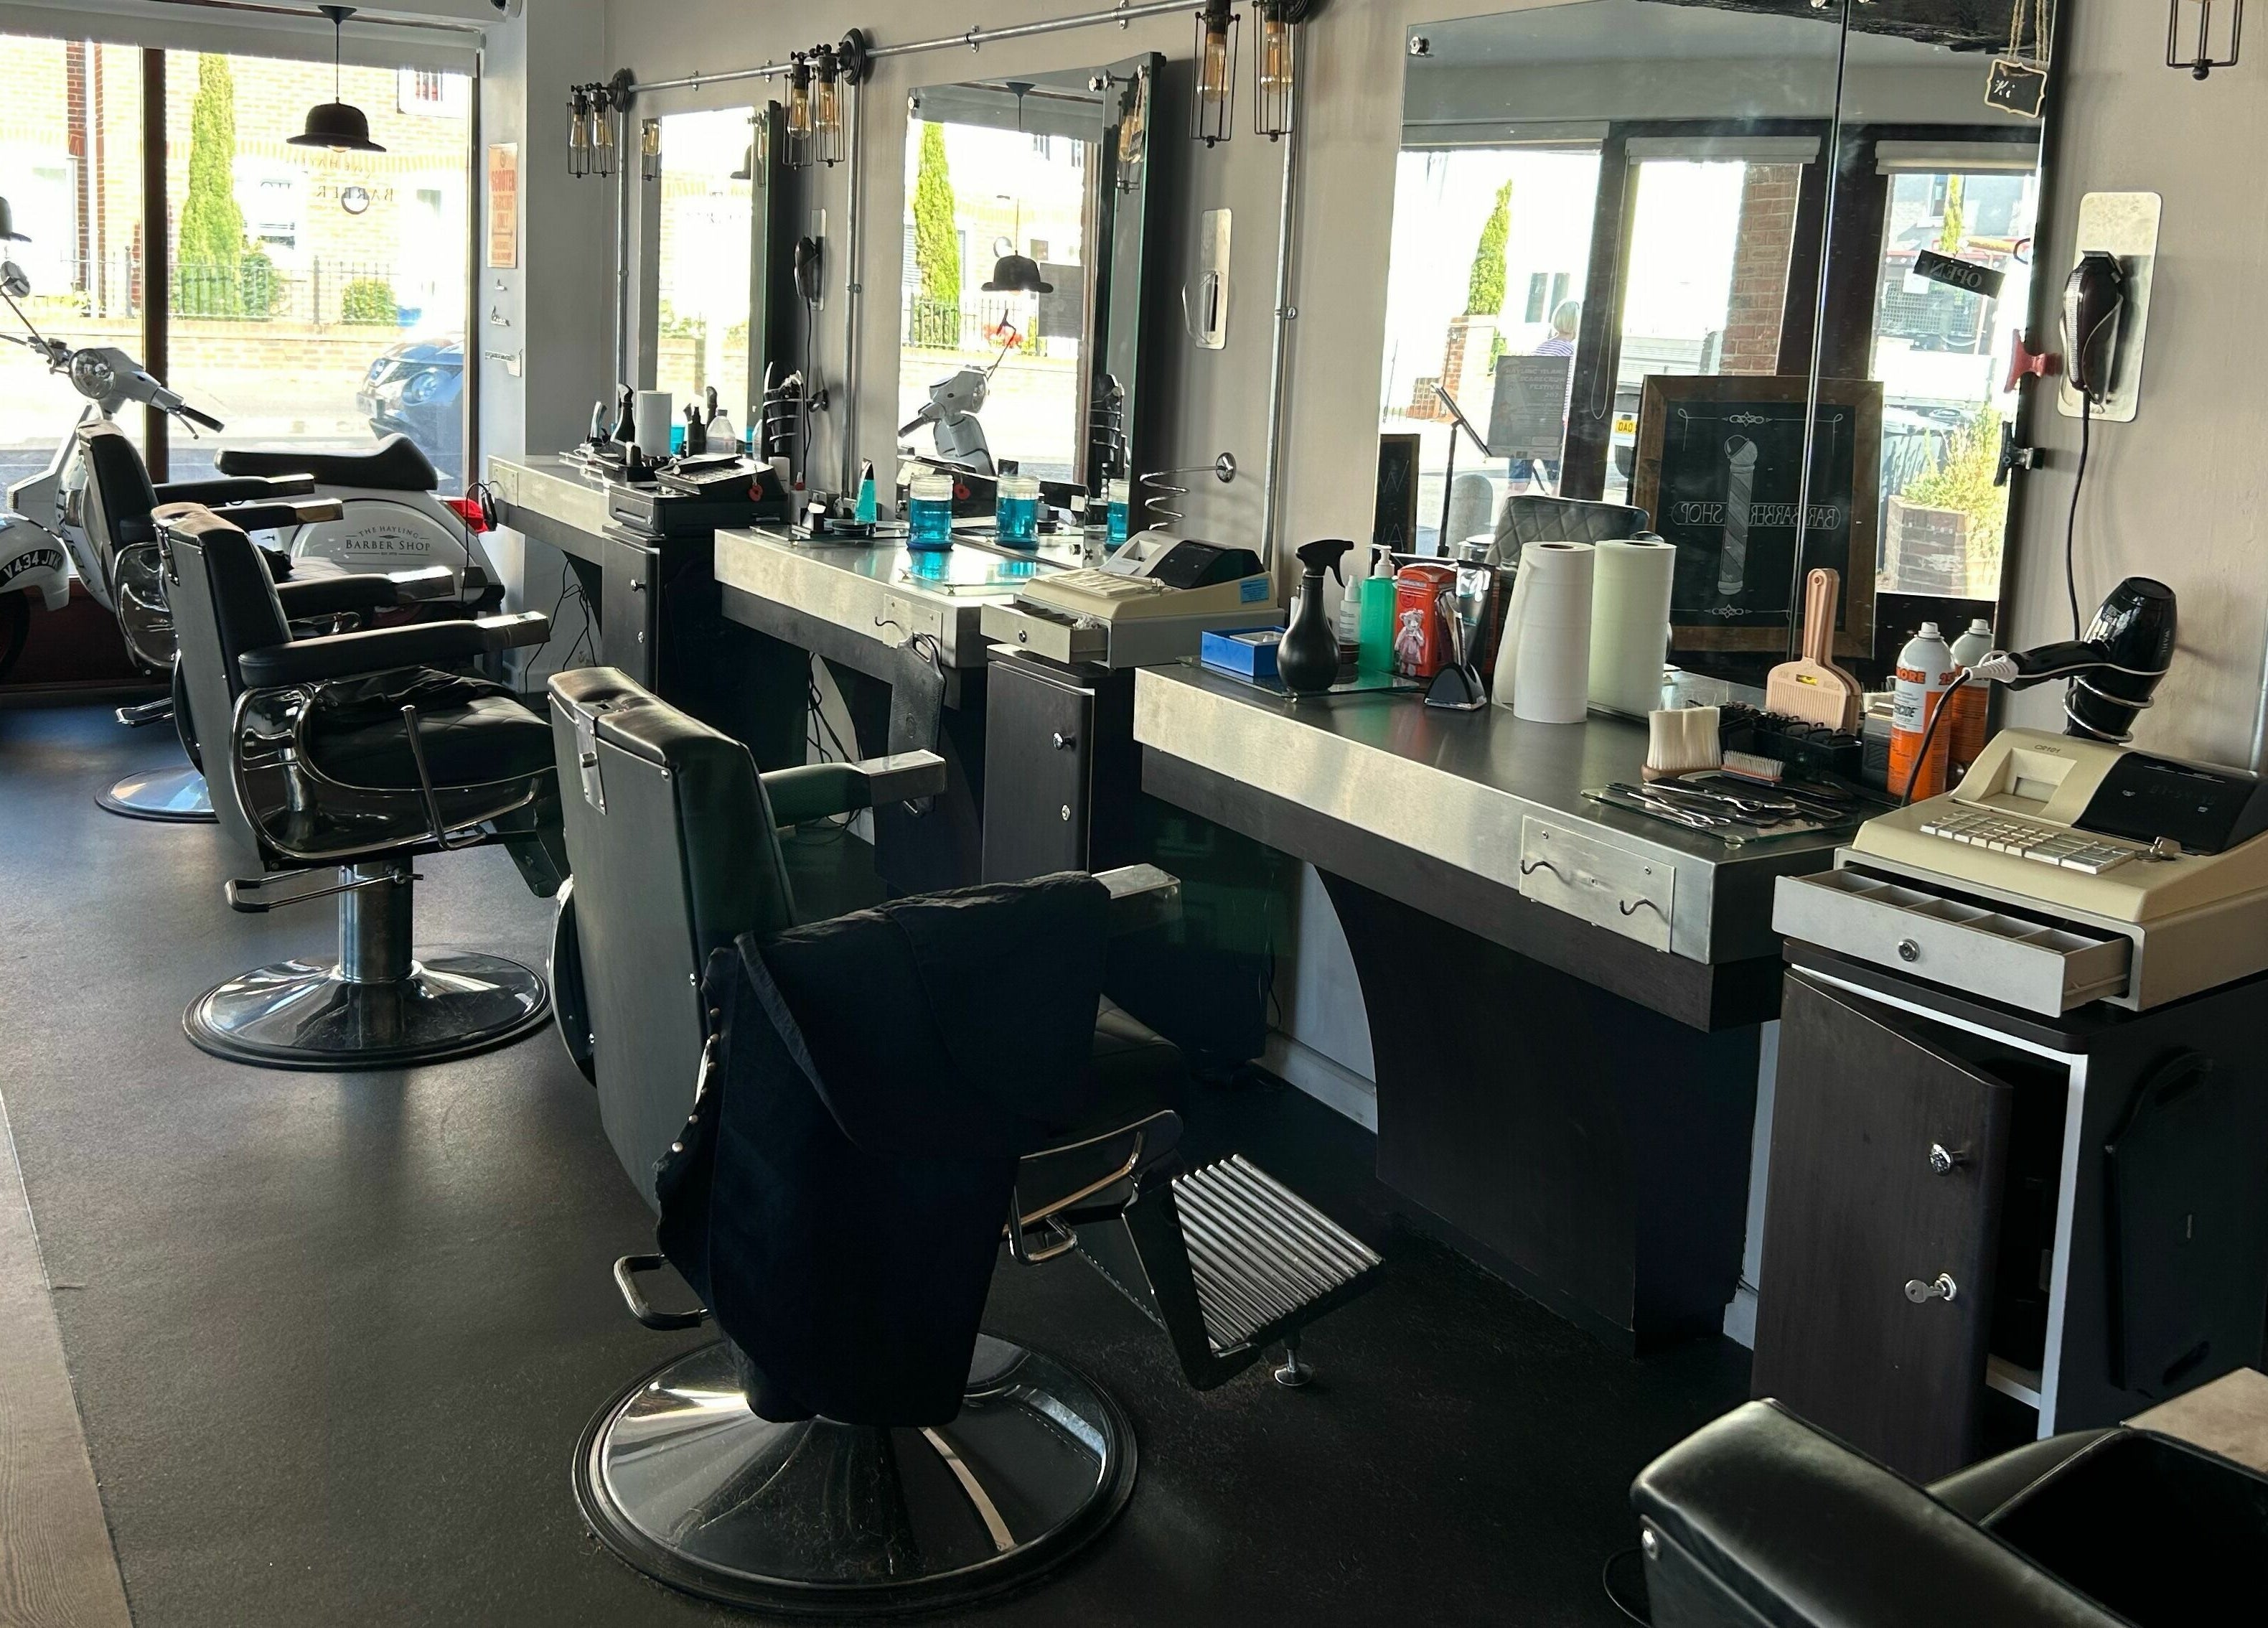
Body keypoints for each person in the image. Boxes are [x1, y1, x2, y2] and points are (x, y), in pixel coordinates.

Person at [1508, 299, 1580, 493]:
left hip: (1524, 423)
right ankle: (1555, 522)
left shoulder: (1541, 348)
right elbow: (1566, 390)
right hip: (1550, 424)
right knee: (1559, 483)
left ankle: (1503, 523)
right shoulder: (1571, 352)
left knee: (1517, 485)